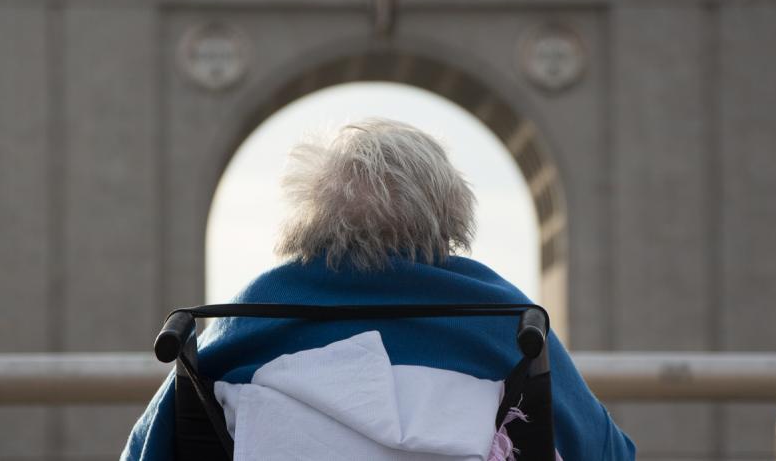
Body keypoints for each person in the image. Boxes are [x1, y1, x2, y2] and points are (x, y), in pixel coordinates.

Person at [122, 119, 635, 460]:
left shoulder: (251, 318)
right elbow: (609, 452)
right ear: (449, 218)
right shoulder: (507, 321)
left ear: (308, 219)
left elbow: (146, 449)